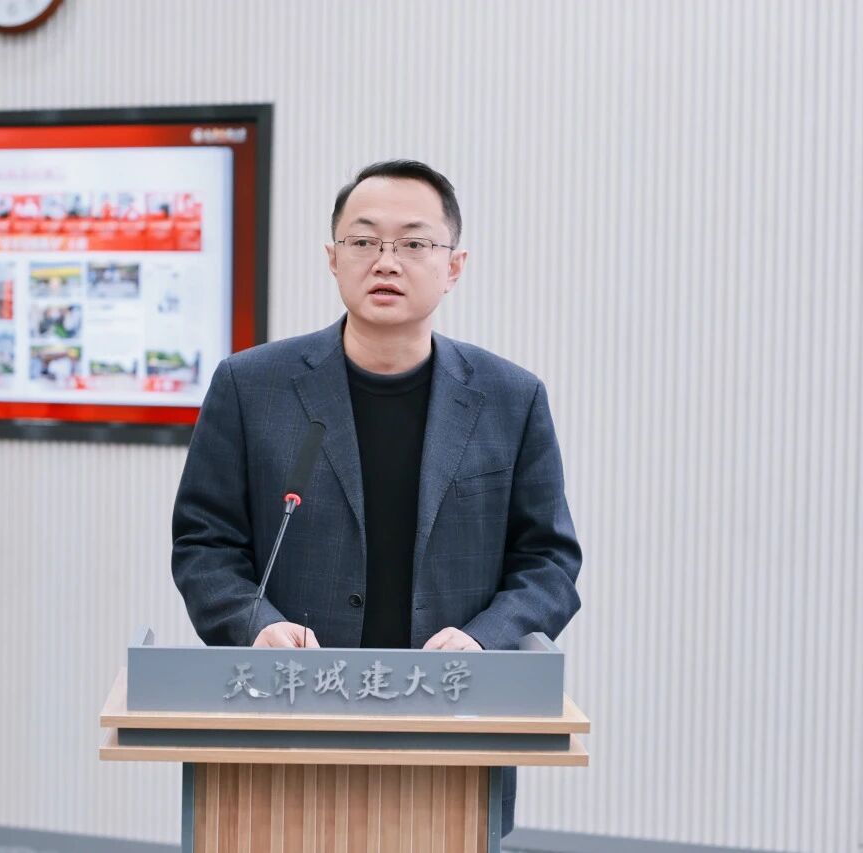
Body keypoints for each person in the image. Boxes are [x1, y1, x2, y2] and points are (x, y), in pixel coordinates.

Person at [171, 160, 582, 835]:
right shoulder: (251, 386)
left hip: (450, 724)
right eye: (363, 241)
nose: (386, 261)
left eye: (414, 242)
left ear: (453, 266)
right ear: (333, 258)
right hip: (289, 714)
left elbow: (549, 562)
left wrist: (485, 641)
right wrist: (256, 624)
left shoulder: (511, 397)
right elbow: (204, 543)